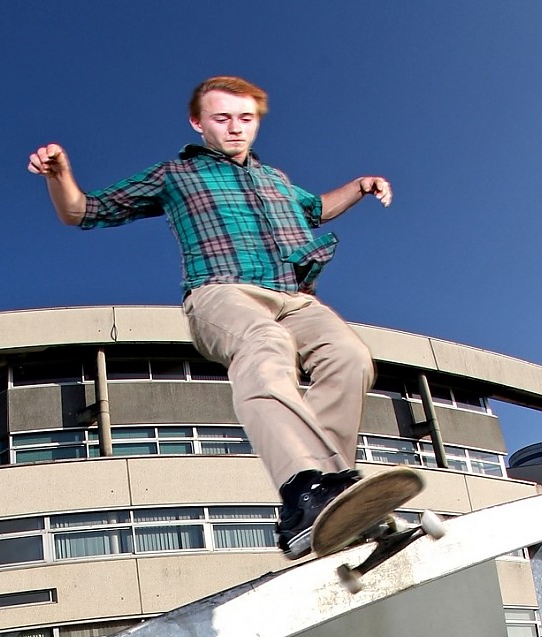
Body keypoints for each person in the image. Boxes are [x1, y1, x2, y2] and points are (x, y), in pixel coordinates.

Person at [28, 75, 392, 557]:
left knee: (348, 356)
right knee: (264, 346)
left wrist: (360, 185)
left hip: (294, 295)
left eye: (246, 119)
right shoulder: (174, 175)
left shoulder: (276, 179)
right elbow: (83, 211)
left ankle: (325, 498)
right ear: (198, 122)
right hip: (221, 294)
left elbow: (317, 208)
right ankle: (303, 487)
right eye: (222, 119)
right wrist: (59, 175)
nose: (236, 129)